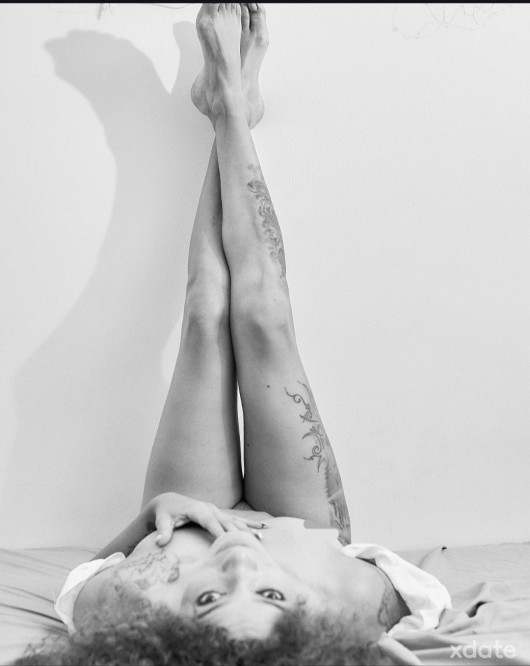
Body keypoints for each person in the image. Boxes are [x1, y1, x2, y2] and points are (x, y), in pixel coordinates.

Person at [17, 5, 451, 665]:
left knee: (204, 313)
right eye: (270, 597)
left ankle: (228, 107)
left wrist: (150, 515)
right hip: (300, 531)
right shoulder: (347, 606)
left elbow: (79, 584)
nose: (239, 564)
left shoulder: (127, 609)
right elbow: (422, 604)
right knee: (263, 315)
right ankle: (232, 110)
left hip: (184, 513)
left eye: (209, 598)